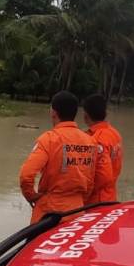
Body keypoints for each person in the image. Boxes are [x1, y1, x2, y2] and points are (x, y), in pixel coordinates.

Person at [19, 91, 104, 223]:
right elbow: (90, 180)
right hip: (77, 211)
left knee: (37, 243)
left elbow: (26, 175)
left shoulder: (48, 139)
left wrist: (32, 197)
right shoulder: (91, 141)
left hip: (49, 213)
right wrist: (80, 199)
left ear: (53, 112)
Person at [82, 94, 123, 203]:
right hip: (110, 196)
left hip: (96, 201)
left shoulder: (96, 139)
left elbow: (103, 176)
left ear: (85, 114)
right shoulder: (114, 133)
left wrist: (84, 194)